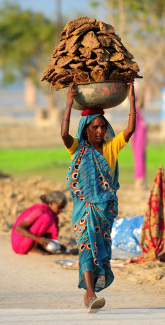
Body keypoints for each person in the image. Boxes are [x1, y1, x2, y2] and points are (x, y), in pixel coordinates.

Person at [61, 81, 136, 313]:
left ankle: (88, 293)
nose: (100, 131)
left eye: (102, 127)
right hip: (84, 210)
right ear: (86, 129)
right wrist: (69, 102)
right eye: (94, 127)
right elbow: (63, 134)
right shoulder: (77, 148)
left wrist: (133, 98)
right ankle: (91, 293)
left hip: (104, 212)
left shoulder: (112, 147)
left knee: (100, 250)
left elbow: (130, 129)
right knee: (86, 246)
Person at [11, 191, 67, 255]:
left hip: (28, 241)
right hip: (19, 245)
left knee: (50, 219)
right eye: (60, 207)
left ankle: (36, 247)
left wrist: (57, 247)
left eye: (63, 208)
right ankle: (33, 249)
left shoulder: (53, 216)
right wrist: (38, 239)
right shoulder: (39, 211)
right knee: (46, 218)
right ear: (51, 203)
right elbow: (19, 227)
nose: (61, 210)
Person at [131, 80, 147, 190]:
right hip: (137, 123)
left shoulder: (137, 106)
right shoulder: (134, 103)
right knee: (138, 153)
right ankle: (139, 181)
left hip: (139, 123)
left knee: (140, 153)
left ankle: (141, 180)